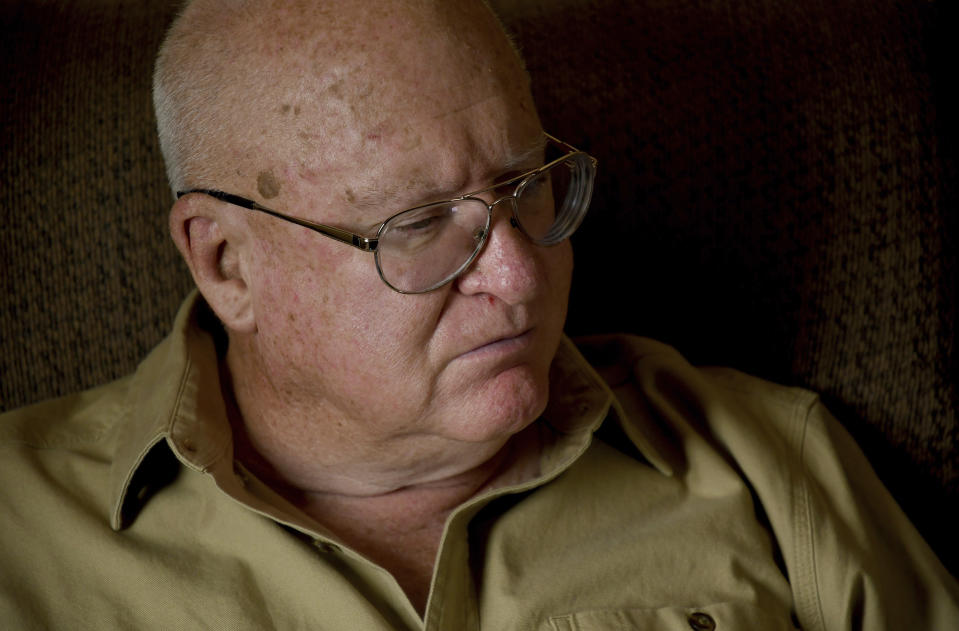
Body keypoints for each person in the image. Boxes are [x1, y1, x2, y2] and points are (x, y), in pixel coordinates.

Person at [0, 0, 956, 628]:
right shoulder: (20, 528)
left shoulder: (765, 459)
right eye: (416, 226)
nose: (516, 272)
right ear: (225, 262)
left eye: (526, 187)